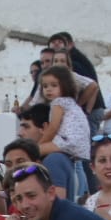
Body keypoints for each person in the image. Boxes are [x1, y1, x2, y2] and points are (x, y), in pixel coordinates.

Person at [35, 65, 91, 199]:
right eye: (45, 86)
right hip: (77, 144)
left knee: (33, 152)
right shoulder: (71, 103)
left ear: (64, 85)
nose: (48, 89)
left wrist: (39, 144)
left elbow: (53, 127)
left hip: (67, 141)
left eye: (54, 85)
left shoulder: (58, 102)